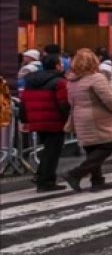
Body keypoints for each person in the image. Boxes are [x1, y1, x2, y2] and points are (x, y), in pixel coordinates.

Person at [62, 48, 112, 191]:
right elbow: (108, 99)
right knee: (107, 146)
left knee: (92, 149)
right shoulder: (96, 78)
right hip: (98, 117)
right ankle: (76, 174)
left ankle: (97, 180)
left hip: (80, 117)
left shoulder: (71, 80)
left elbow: (71, 101)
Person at [20, 54, 71, 192]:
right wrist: (69, 119)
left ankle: (41, 176)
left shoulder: (31, 81)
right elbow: (63, 103)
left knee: (47, 150)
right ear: (57, 66)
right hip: (55, 121)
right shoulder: (60, 82)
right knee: (52, 152)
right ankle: (46, 181)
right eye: (60, 63)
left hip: (37, 120)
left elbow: (24, 101)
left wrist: (24, 119)